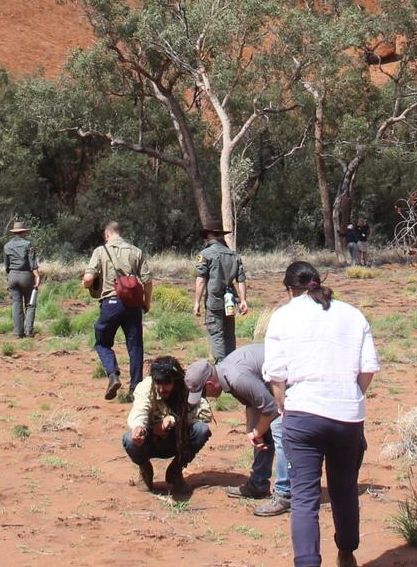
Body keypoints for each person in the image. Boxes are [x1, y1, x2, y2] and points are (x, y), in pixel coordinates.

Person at [263, 261, 380, 567]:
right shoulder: (353, 314)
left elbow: (276, 374)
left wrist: (285, 406)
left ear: (290, 289)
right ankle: (347, 554)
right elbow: (367, 368)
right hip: (347, 416)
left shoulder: (283, 316)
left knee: (304, 496)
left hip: (303, 415)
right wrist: (351, 395)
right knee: (344, 490)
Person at [184, 345, 292, 516]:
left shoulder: (236, 378)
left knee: (279, 428)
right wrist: (252, 430)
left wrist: (257, 430)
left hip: (290, 381)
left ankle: (285, 493)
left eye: (203, 393)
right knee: (263, 431)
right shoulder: (225, 374)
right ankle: (258, 484)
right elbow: (252, 402)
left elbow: (271, 408)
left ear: (210, 384)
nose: (206, 398)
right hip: (274, 387)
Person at [83, 221, 153, 400]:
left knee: (102, 343)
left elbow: (89, 278)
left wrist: (85, 283)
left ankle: (113, 374)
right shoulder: (136, 251)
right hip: (133, 306)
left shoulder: (100, 251)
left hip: (110, 303)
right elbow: (147, 281)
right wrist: (147, 302)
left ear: (107, 234)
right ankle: (135, 388)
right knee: (135, 347)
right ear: (120, 233)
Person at [122, 356, 212, 493]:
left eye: (167, 384)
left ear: (175, 380)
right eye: (159, 383)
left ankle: (176, 470)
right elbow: (140, 409)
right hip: (151, 440)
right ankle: (145, 470)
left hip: (178, 440)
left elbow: (205, 413)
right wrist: (142, 428)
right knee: (129, 439)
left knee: (202, 430)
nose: (162, 388)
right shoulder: (146, 387)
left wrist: (175, 420)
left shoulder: (187, 386)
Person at [192, 225, 249, 361]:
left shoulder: (205, 254)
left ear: (211, 235)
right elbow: (241, 280)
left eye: (207, 235)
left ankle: (221, 368)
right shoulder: (234, 254)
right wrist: (243, 300)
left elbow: (201, 280)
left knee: (216, 333)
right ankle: (231, 366)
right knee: (229, 334)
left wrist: (197, 302)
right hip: (230, 301)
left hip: (214, 301)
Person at [2, 221, 40, 338]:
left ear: (14, 232)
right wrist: (37, 277)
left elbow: (6, 266)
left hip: (12, 276)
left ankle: (18, 332)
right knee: (30, 304)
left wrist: (10, 276)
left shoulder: (7, 246)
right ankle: (29, 331)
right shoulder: (28, 245)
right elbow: (32, 264)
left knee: (16, 304)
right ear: (23, 232)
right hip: (26, 276)